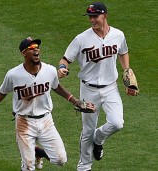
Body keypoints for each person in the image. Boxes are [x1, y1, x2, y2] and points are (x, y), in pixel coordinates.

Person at [0, 37, 95, 171]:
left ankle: (37, 152)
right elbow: (0, 93)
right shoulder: (13, 75)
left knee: (60, 160)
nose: (36, 51)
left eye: (37, 48)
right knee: (28, 166)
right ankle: (31, 156)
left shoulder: (50, 70)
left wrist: (75, 101)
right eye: (31, 49)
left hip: (46, 121)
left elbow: (56, 87)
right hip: (24, 122)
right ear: (24, 53)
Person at [58, 2, 137, 171]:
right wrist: (63, 68)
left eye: (95, 16)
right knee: (87, 130)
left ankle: (98, 138)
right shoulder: (81, 39)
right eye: (90, 17)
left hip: (110, 88)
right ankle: (84, 167)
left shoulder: (118, 35)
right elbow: (65, 59)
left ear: (105, 16)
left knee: (117, 123)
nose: (92, 20)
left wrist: (127, 70)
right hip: (89, 89)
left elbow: (123, 52)